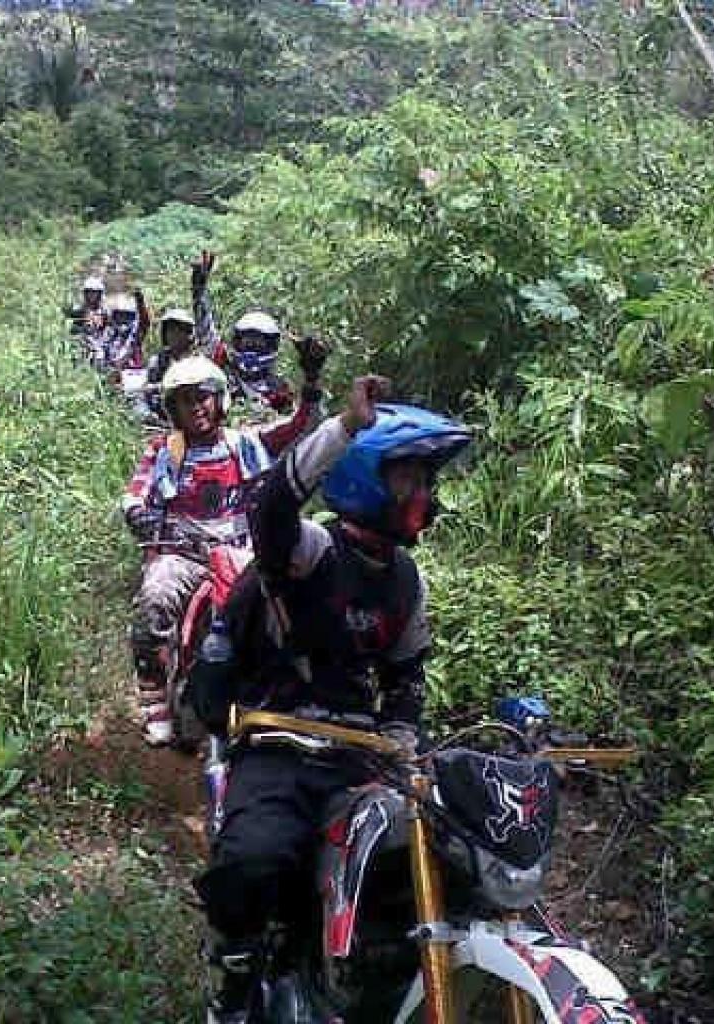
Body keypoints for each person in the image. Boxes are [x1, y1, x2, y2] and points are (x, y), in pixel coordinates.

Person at [191, 375, 472, 1024]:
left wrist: (402, 739)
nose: (422, 495)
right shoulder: (312, 551)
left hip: (359, 760)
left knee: (438, 855)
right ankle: (233, 986)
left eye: (425, 482)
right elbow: (270, 511)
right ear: (366, 477)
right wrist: (342, 428)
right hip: (280, 743)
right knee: (253, 860)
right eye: (409, 479)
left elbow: (406, 678)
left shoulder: (406, 580)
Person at [120, 344, 327, 746]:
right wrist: (137, 514)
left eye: (202, 397)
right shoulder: (164, 451)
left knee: (294, 608)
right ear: (172, 410)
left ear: (220, 399)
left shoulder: (247, 443)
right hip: (183, 554)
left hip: (243, 554)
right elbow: (135, 494)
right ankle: (154, 697)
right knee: (154, 599)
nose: (195, 407)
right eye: (184, 401)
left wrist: (312, 381)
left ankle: (302, 695)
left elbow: (304, 428)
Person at [191, 250, 294, 414]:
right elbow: (205, 331)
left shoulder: (279, 389)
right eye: (247, 342)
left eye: (257, 344)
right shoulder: (224, 369)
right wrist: (198, 291)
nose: (251, 348)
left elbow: (293, 424)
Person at [104, 290, 150, 372]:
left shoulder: (135, 335)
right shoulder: (108, 337)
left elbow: (144, 322)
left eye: (127, 317)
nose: (123, 320)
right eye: (120, 316)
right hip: (113, 374)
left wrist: (140, 302)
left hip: (134, 374)